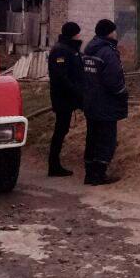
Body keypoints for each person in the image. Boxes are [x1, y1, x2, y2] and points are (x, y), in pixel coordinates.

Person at [81, 18, 129, 186]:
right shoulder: (108, 52)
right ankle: (99, 175)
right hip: (106, 103)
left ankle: (89, 174)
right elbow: (113, 80)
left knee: (92, 138)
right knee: (106, 139)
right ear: (110, 32)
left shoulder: (89, 50)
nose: (116, 33)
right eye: (114, 30)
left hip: (91, 102)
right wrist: (123, 93)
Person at [45, 22, 85, 177]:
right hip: (63, 97)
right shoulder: (60, 51)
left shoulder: (70, 49)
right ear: (72, 34)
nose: (79, 35)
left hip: (69, 96)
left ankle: (54, 164)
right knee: (61, 129)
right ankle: (53, 165)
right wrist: (77, 92)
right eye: (77, 33)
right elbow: (62, 77)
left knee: (62, 129)